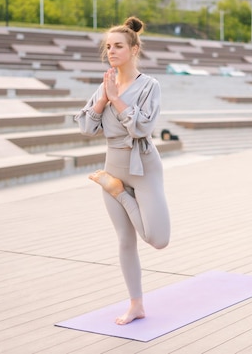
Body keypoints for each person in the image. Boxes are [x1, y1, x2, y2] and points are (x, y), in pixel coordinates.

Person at [74, 17, 171, 325]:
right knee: (124, 241)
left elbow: (142, 127)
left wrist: (116, 99)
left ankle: (117, 191)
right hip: (112, 164)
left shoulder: (149, 86)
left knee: (157, 239)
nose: (111, 51)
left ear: (133, 48)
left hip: (143, 167)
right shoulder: (104, 85)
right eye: (108, 46)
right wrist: (103, 99)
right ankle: (136, 305)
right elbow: (86, 127)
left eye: (118, 46)